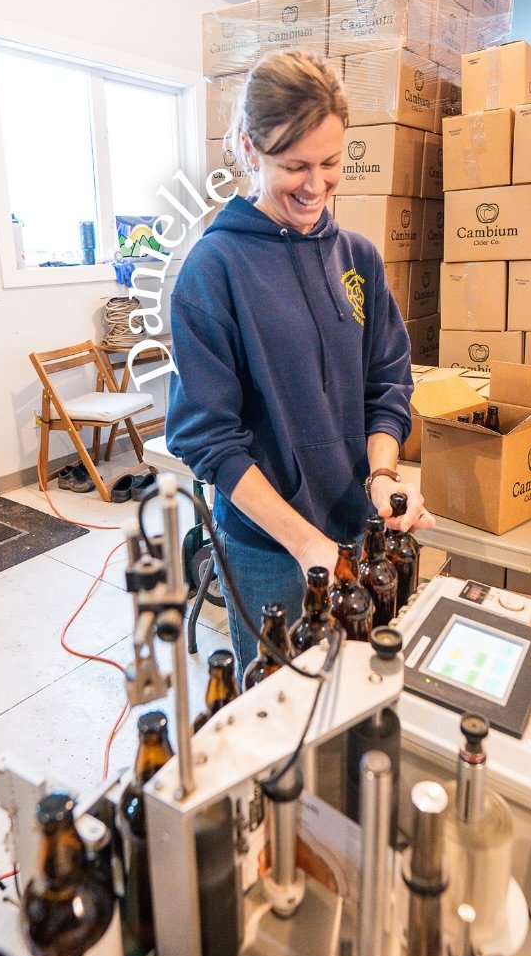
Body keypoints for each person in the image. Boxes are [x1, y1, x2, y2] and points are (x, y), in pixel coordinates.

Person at [166, 50, 434, 673]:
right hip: (268, 547)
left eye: (331, 164)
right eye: (295, 166)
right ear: (247, 148)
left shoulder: (357, 256)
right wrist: (304, 542)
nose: (315, 186)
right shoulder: (215, 270)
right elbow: (209, 437)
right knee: (278, 707)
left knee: (359, 685)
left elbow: (387, 378)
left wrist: (384, 477)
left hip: (358, 521)